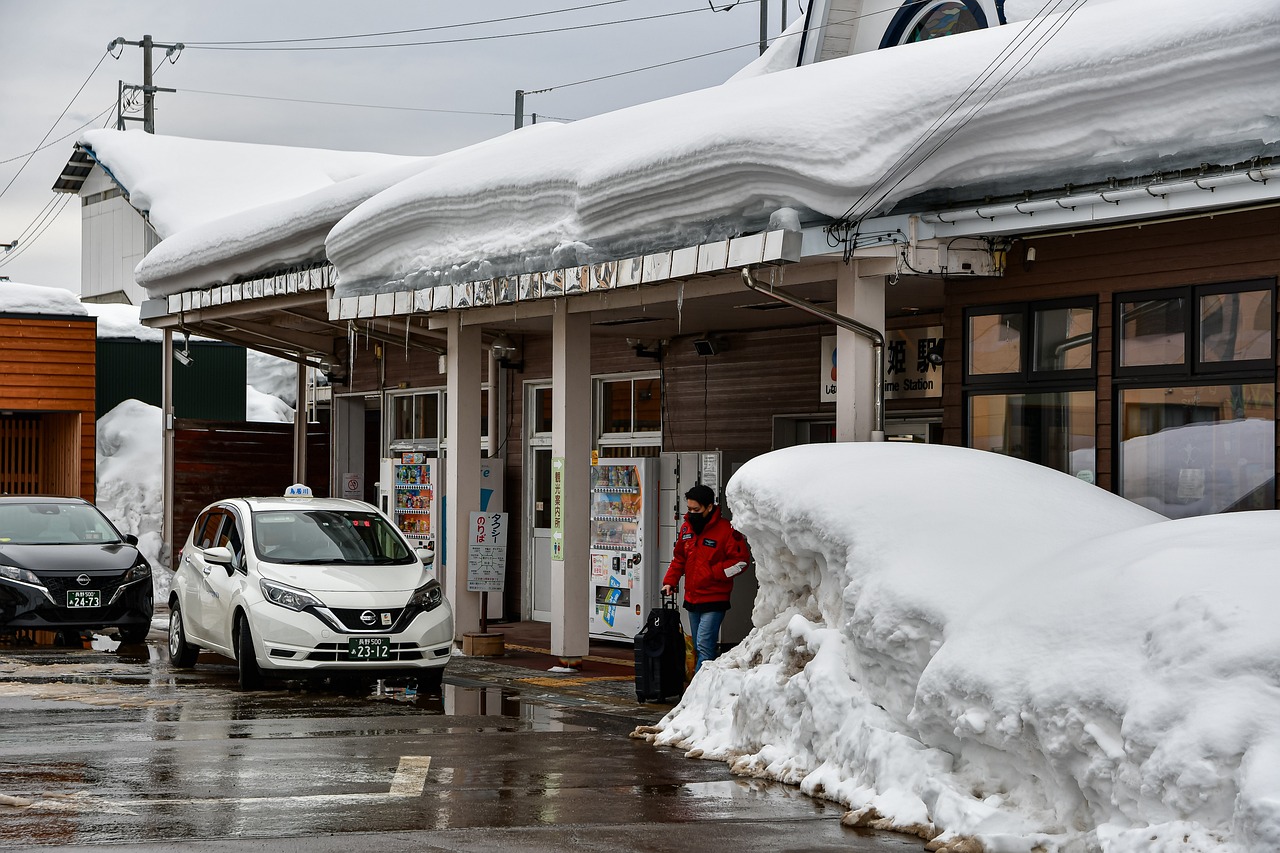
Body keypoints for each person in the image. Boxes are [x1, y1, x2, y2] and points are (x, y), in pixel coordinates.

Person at [661, 483, 750, 673]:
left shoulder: (727, 530)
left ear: (709, 507)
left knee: (704, 646)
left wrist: (714, 573)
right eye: (689, 509)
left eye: (696, 509)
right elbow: (679, 558)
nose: (691, 513)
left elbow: (741, 562)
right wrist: (670, 581)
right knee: (697, 646)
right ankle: (702, 688)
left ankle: (697, 693)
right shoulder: (687, 529)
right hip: (692, 598)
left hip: (714, 599)